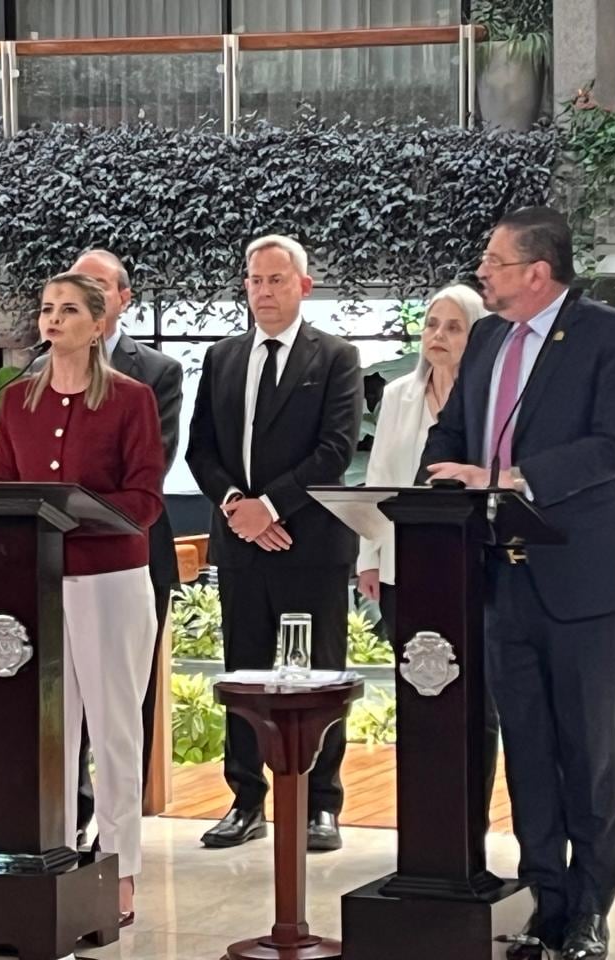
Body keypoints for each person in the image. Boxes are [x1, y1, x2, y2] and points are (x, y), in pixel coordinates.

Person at [420, 207, 615, 960]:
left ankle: (590, 910)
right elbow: (451, 432)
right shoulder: (486, 337)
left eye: (494, 260)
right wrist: (436, 478)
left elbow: (612, 447)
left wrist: (505, 476)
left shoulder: (609, 335)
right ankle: (544, 901)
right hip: (500, 576)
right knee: (526, 747)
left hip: (582, 576)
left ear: (537, 272)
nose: (481, 271)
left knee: (587, 750)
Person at [0, 272, 163, 926]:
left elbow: (145, 499)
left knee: (115, 728)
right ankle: (51, 856)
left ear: (98, 324)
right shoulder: (18, 401)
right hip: (37, 584)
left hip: (112, 582)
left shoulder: (130, 399)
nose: (53, 319)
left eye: (68, 310)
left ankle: (120, 868)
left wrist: (76, 513)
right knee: (47, 732)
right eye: (46, 309)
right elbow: (2, 488)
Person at [186, 234, 364, 852]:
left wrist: (271, 506)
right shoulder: (223, 356)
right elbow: (199, 449)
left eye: (276, 280)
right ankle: (244, 800)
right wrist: (238, 507)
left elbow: (336, 449)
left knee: (317, 674)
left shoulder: (337, 357)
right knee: (244, 671)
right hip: (239, 543)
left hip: (308, 542)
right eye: (254, 280)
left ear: (304, 286)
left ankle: (322, 803)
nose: (262, 291)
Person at [69, 249, 184, 851]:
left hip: (129, 555)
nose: (79, 299)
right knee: (63, 711)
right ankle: (68, 823)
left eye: (96, 286)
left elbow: (150, 466)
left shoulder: (153, 375)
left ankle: (119, 834)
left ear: (122, 299)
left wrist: (75, 502)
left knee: (121, 702)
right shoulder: (35, 377)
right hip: (55, 565)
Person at [357, 283, 487, 631]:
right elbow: (379, 477)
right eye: (432, 324)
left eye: (454, 327)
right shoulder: (399, 394)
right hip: (401, 558)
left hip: (469, 560)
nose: (438, 334)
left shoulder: (488, 400)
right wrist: (369, 558)